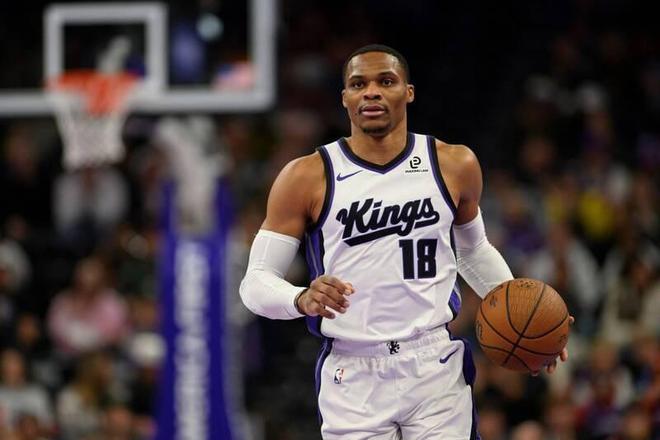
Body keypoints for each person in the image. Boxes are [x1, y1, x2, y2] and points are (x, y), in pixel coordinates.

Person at [240, 44, 570, 439]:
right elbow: (255, 282)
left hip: (433, 363)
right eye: (358, 84)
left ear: (408, 92)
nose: (371, 92)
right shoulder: (306, 176)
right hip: (353, 370)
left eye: (386, 81)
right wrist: (300, 298)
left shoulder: (454, 164)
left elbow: (473, 251)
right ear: (345, 98)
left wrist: (530, 318)